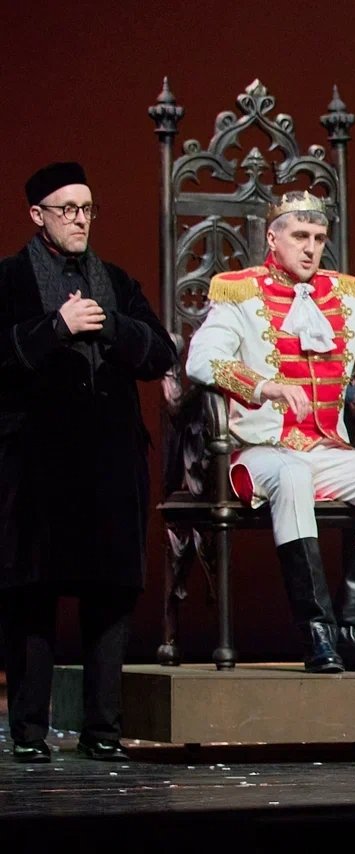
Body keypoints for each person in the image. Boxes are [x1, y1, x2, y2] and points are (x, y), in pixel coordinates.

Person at [186, 190, 355, 674]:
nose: (310, 248)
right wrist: (264, 385)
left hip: (325, 447)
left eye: (318, 238)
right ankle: (316, 633)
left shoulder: (347, 298)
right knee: (290, 474)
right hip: (258, 450)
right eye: (299, 236)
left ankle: (349, 631)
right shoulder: (240, 294)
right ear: (273, 239)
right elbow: (201, 360)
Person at [0, 162, 177, 762]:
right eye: (67, 209)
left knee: (111, 595)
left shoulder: (115, 282)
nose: (80, 220)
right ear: (38, 215)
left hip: (108, 462)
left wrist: (111, 326)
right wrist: (56, 326)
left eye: (87, 208)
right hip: (37, 463)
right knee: (32, 596)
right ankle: (29, 732)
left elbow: (160, 353)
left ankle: (103, 729)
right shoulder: (10, 279)